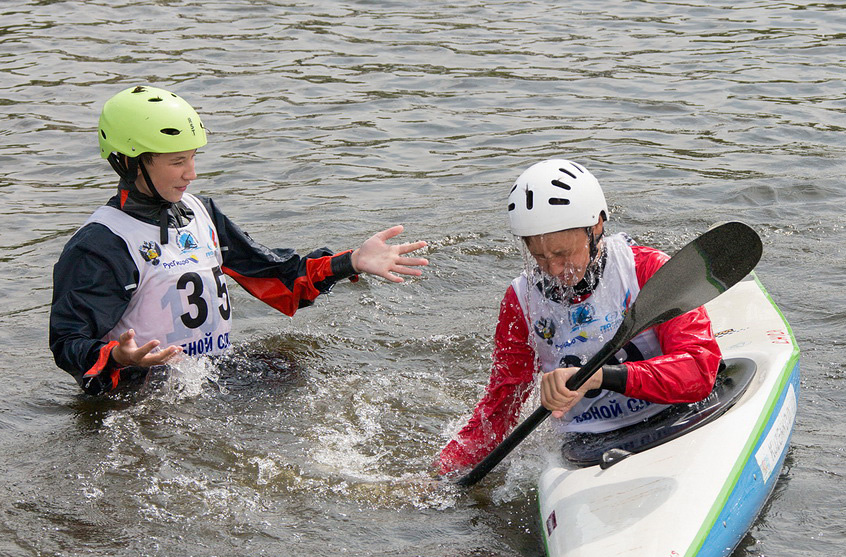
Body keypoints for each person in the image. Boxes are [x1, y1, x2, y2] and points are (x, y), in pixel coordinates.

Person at [50, 85, 427, 394]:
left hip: (209, 377)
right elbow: (69, 343)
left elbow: (278, 279)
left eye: (194, 158)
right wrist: (118, 357)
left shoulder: (201, 212)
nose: (192, 173)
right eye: (177, 161)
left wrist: (352, 261)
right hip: (144, 394)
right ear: (129, 162)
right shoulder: (100, 245)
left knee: (313, 381)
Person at [437, 159, 722, 474]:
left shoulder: (648, 271)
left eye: (562, 254)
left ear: (596, 227)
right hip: (587, 443)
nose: (555, 269)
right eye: (540, 257)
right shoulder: (521, 301)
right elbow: (499, 409)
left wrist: (599, 376)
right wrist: (442, 474)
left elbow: (699, 372)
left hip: (675, 415)